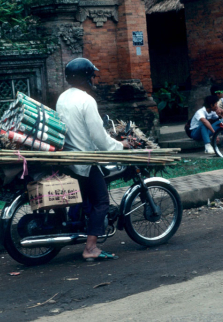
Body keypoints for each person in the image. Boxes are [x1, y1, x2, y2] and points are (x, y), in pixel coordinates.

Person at [56, 57, 130, 261]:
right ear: (86, 77)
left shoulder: (62, 97)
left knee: (87, 195)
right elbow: (99, 138)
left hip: (68, 158)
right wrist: (120, 146)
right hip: (84, 160)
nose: (94, 79)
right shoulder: (86, 100)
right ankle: (90, 248)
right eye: (92, 75)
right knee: (101, 200)